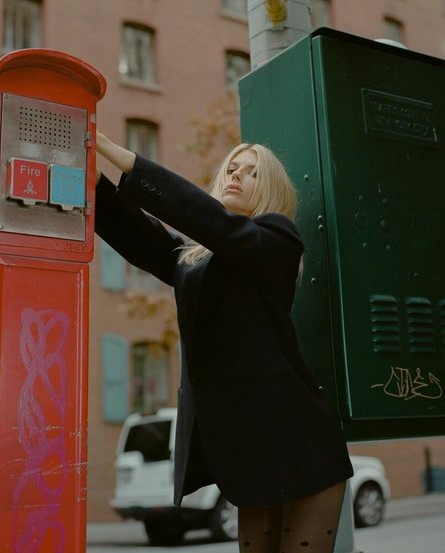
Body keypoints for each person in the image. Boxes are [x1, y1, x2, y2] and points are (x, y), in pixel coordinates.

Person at [95, 132, 353, 553]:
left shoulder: (277, 239)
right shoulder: (197, 260)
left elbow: (211, 221)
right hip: (251, 450)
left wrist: (112, 151)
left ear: (269, 189)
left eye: (252, 173)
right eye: (232, 169)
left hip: (300, 441)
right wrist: (93, 181)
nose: (236, 176)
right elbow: (145, 239)